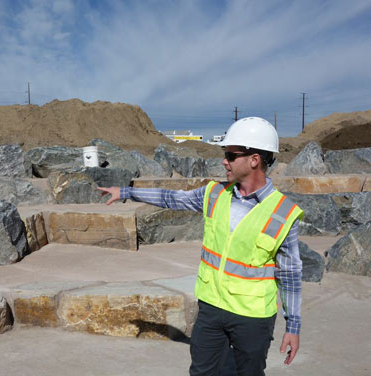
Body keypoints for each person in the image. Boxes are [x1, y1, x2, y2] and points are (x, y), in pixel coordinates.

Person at [98, 117, 303, 376]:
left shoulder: (283, 212)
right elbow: (171, 198)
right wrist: (126, 192)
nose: (223, 161)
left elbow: (290, 275)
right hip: (211, 309)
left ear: (254, 160)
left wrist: (293, 327)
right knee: (202, 372)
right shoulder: (215, 193)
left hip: (252, 318)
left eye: (230, 155)